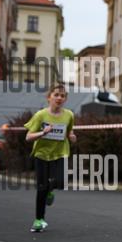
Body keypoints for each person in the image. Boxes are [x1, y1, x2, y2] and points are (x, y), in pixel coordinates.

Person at [24, 83, 76, 232]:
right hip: (42, 154)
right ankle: (39, 220)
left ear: (65, 99)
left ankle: (50, 190)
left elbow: (69, 132)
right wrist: (43, 133)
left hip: (60, 153)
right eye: (56, 95)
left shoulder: (69, 115)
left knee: (60, 182)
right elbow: (28, 137)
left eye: (62, 96)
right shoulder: (40, 115)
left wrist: (72, 137)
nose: (59, 98)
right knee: (41, 188)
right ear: (49, 97)